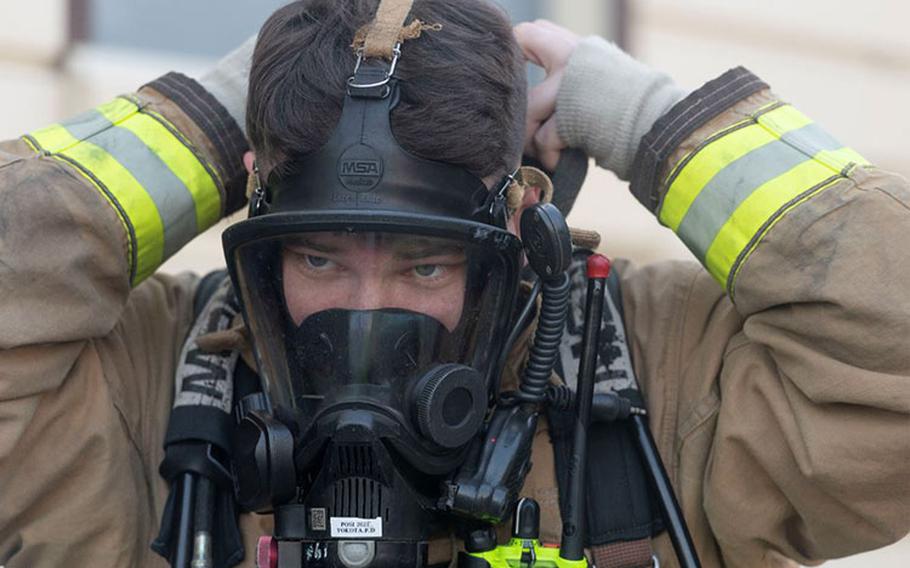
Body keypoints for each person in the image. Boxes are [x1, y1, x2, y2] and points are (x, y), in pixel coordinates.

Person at [0, 1, 908, 567]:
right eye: (318, 258)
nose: (364, 313)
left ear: (516, 233)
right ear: (259, 234)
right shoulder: (148, 386)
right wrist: (210, 117)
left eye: (423, 265)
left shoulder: (654, 385)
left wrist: (652, 121)